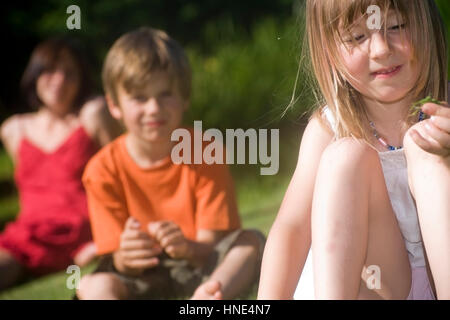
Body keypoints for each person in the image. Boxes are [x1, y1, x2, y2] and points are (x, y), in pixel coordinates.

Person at [258, 0, 450, 300]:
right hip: (376, 287)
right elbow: (292, 229)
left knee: (427, 149)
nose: (380, 49)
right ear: (329, 52)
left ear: (427, 24)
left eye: (397, 26)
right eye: (357, 37)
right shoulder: (330, 127)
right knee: (344, 158)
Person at [76, 27, 265, 300]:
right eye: (139, 97)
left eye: (165, 94)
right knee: (91, 286)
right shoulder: (101, 170)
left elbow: (211, 245)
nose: (153, 108)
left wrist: (186, 247)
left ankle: (206, 298)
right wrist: (126, 256)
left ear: (184, 97)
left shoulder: (204, 150)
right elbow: (114, 258)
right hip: (139, 278)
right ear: (114, 105)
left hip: (201, 269)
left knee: (250, 242)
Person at [0, 37, 121, 290]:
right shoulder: (14, 130)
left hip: (80, 235)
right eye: (50, 70)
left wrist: (107, 240)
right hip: (30, 236)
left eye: (70, 73)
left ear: (82, 81)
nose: (59, 80)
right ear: (34, 75)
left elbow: (124, 177)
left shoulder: (92, 116)